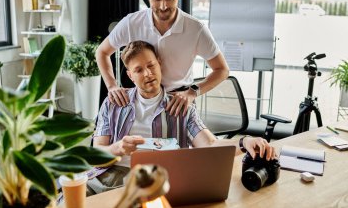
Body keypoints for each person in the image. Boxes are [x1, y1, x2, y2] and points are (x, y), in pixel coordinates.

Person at [89, 41, 275, 195]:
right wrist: (119, 148)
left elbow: (210, 145)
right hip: (109, 175)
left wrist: (244, 142)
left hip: (154, 181)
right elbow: (97, 156)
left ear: (159, 63)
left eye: (151, 65)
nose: (147, 73)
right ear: (130, 75)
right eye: (138, 70)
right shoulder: (113, 103)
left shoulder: (181, 106)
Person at [96, 0, 230, 117]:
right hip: (141, 102)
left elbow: (222, 70)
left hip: (179, 102)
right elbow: (102, 52)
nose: (163, 6)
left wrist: (193, 92)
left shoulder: (196, 29)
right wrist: (112, 86)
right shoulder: (131, 23)